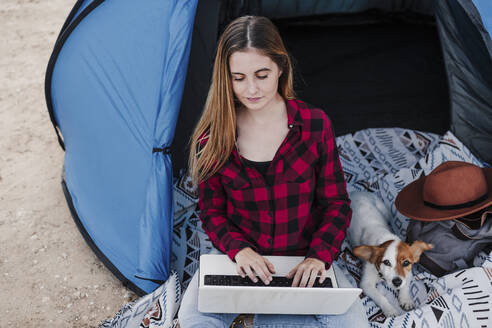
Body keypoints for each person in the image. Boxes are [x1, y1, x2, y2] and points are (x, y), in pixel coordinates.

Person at [179, 15, 369, 328]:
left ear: (280, 68)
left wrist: (319, 256)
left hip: (303, 260)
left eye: (262, 75)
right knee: (192, 321)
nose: (251, 89)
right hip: (239, 262)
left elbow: (336, 204)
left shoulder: (315, 125)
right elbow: (211, 212)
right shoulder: (213, 137)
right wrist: (239, 251)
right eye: (238, 78)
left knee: (353, 324)